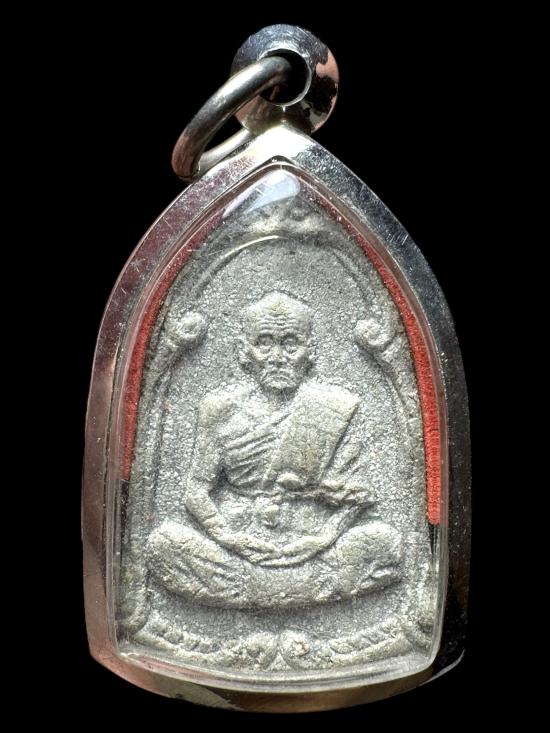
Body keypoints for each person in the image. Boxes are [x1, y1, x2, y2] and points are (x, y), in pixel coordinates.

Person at [147, 292, 401, 608]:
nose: (277, 357)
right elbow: (195, 492)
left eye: (291, 345)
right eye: (264, 344)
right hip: (239, 546)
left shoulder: (335, 408)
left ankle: (257, 593)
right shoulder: (218, 409)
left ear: (310, 351)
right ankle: (300, 591)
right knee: (163, 545)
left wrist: (321, 539)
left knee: (385, 543)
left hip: (312, 547)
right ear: (244, 351)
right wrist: (231, 538)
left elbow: (357, 496)